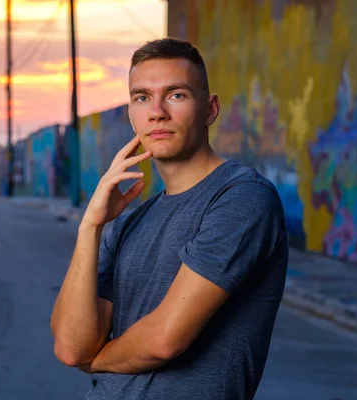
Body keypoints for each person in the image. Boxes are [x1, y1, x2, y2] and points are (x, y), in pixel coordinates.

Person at [50, 38, 289, 400]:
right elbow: (70, 346)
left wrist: (95, 360)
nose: (157, 112)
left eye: (176, 95)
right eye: (142, 97)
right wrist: (91, 226)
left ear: (210, 109)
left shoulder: (242, 198)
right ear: (131, 114)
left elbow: (164, 340)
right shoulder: (130, 222)